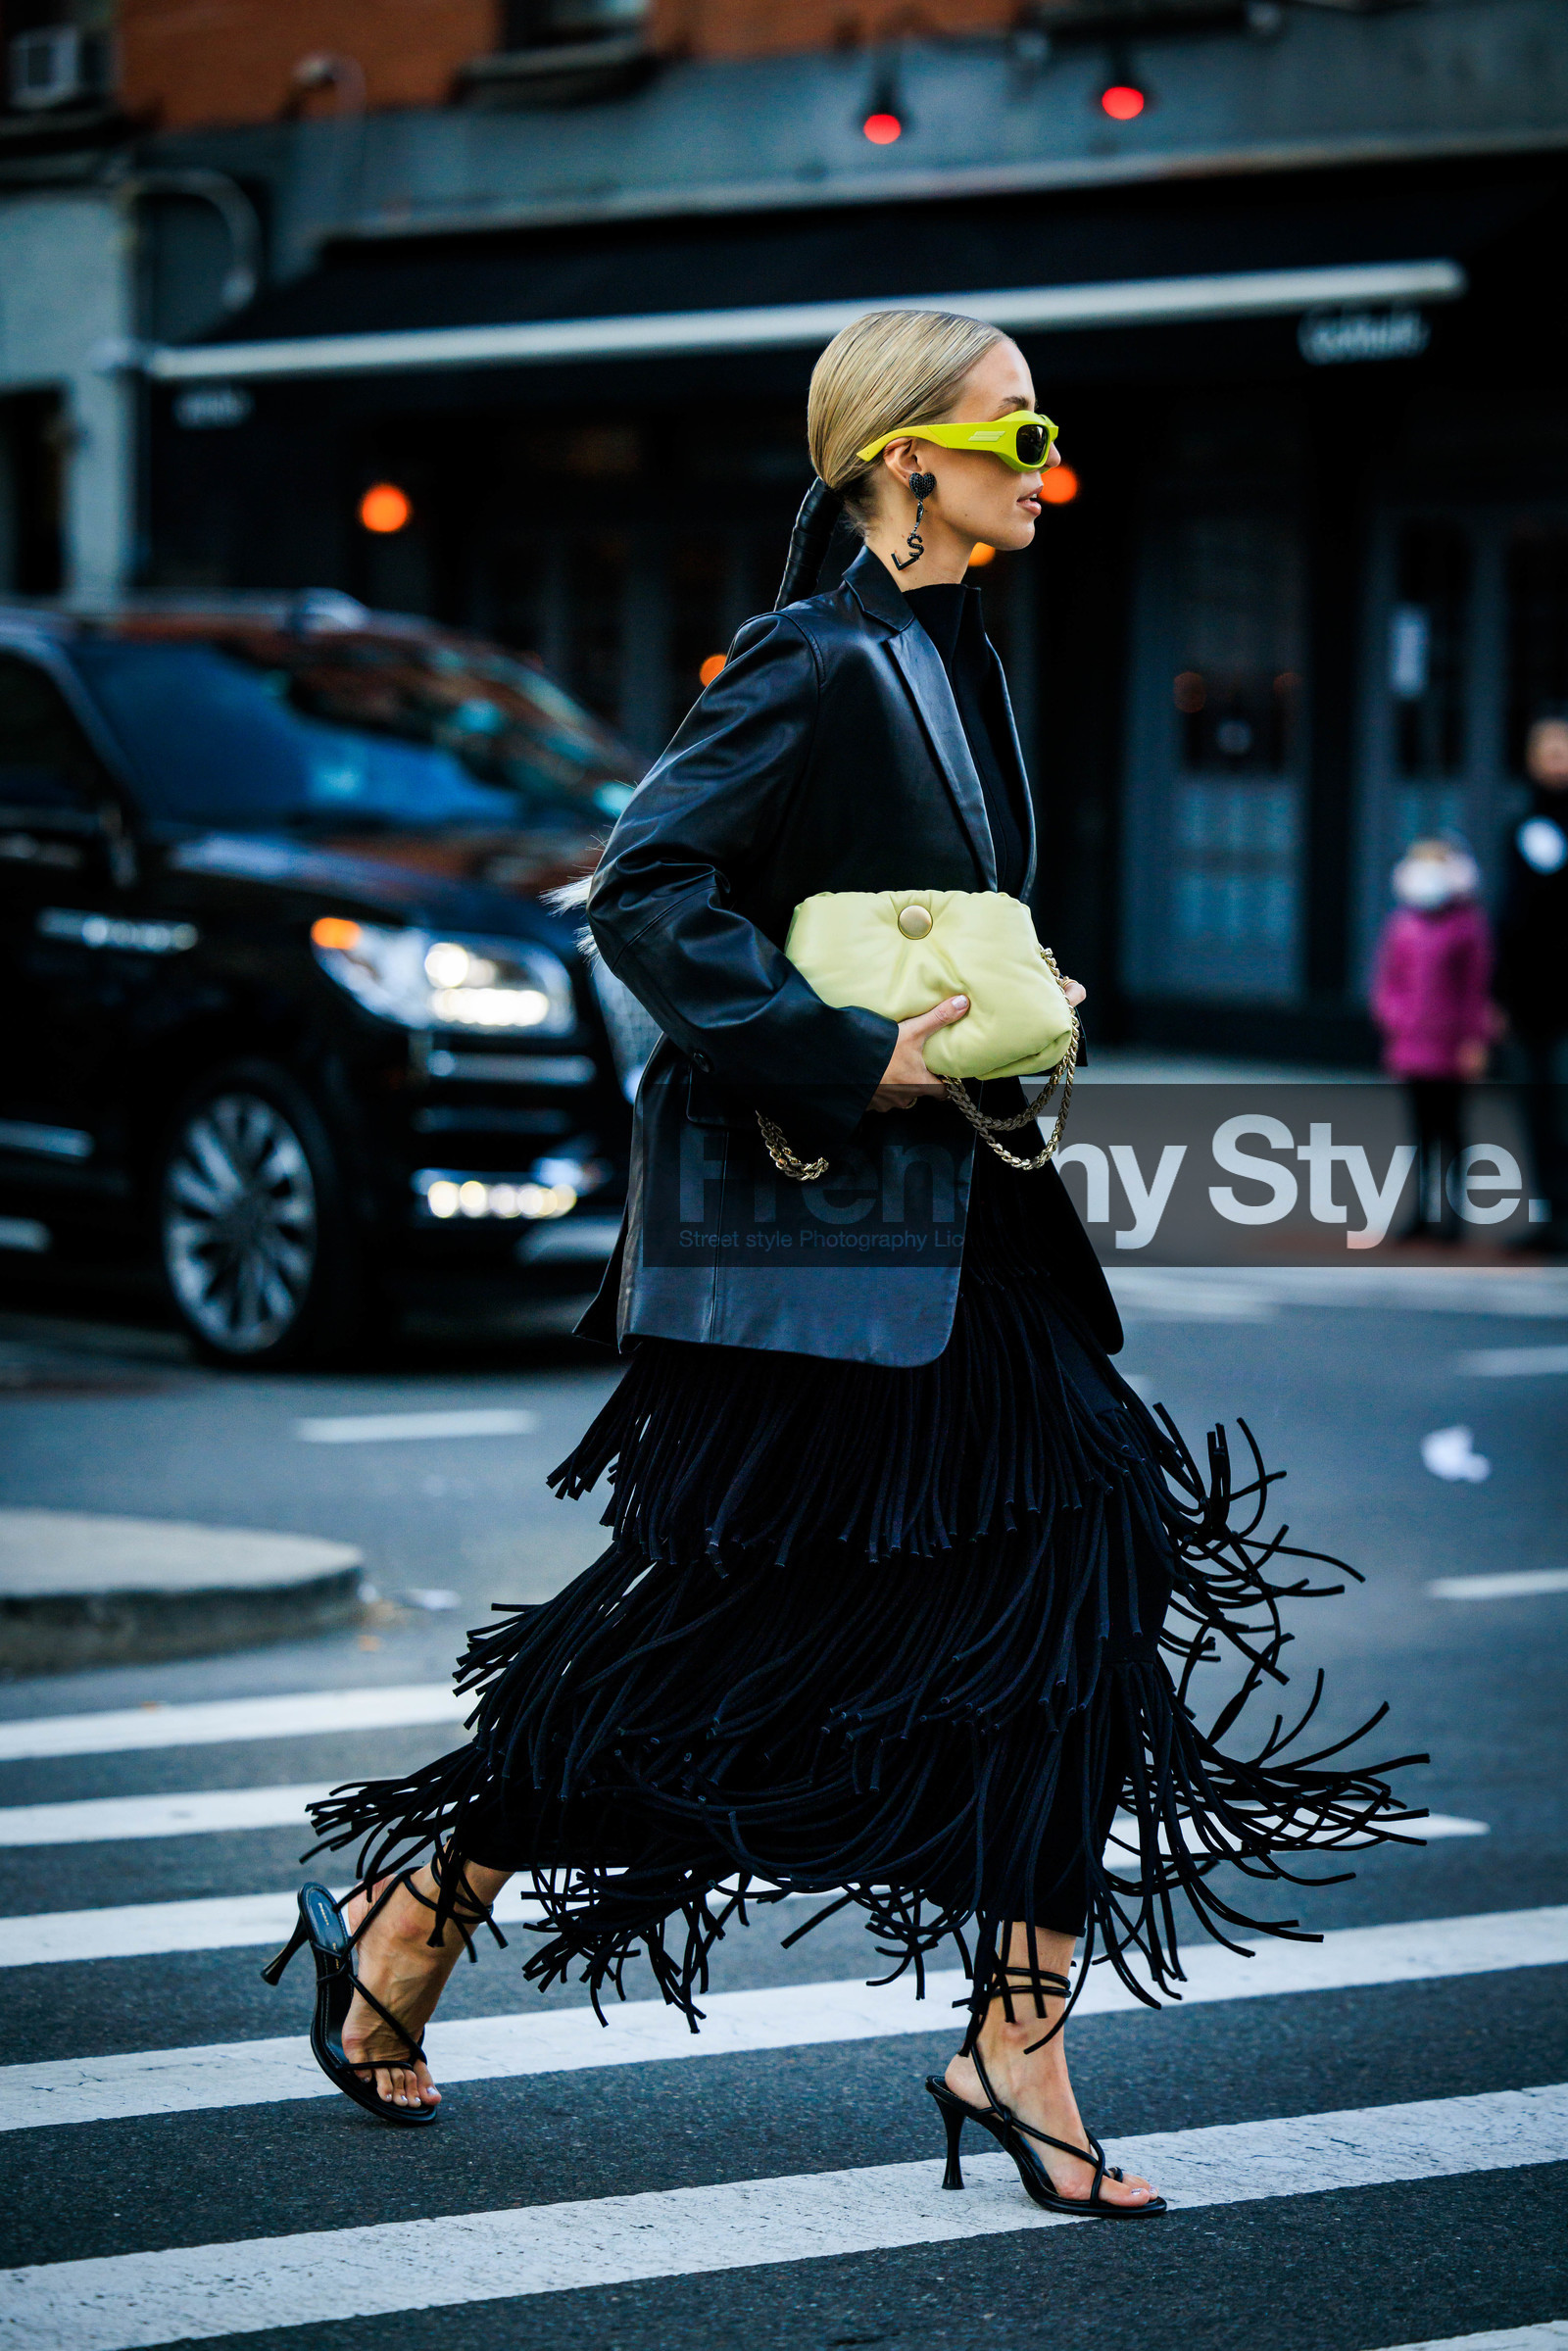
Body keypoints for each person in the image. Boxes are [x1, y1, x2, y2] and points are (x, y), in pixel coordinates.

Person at [270, 310, 1418, 2220]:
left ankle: (1011, 2032)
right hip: (833, 1246)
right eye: (1013, 427)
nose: (1046, 463)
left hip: (964, 1224)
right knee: (722, 1634)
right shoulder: (816, 660)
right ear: (903, 463)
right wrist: (846, 1043)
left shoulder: (948, 653)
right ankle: (420, 1895)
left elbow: (911, 909)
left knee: (1082, 1563)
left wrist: (1010, 993)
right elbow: (646, 887)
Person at [1370, 835, 1495, 1243]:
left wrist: (1474, 1040)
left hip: (1452, 1044)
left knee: (1451, 1128)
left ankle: (1455, 1214)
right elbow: (1387, 983)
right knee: (1420, 1129)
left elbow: (1478, 989)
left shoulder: (1469, 926)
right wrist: (1397, 1020)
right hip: (1411, 1045)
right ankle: (1423, 1209)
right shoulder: (1402, 925)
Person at [1495, 711, 1568, 1251]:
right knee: (1536, 1108)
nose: (1557, 761)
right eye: (1548, 750)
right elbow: (1511, 916)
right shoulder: (1521, 826)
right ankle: (1551, 1211)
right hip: (1531, 997)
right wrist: (1500, 994)